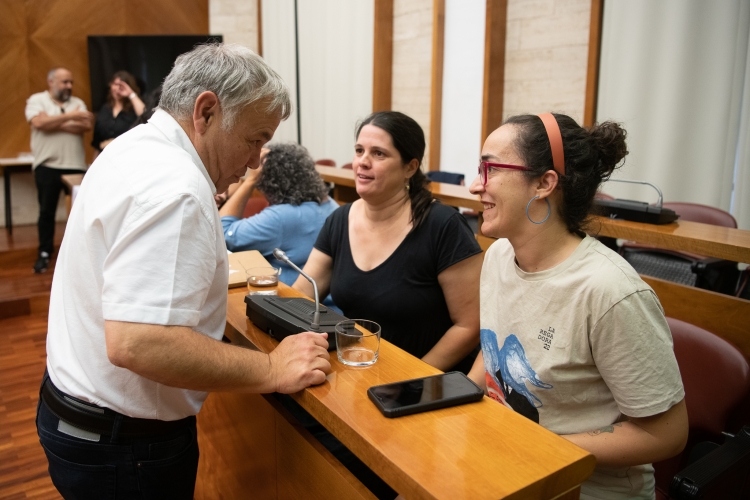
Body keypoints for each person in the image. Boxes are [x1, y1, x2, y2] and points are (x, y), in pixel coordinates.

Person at [36, 43, 331, 500]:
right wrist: (271, 368)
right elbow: (140, 342)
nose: (256, 161)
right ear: (207, 111)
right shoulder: (177, 188)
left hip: (76, 414)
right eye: (254, 139)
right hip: (122, 444)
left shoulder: (132, 144)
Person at [466, 113, 688, 499]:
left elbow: (666, 433)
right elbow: (494, 348)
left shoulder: (610, 291)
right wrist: (457, 402)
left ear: (544, 183)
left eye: (490, 169)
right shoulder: (500, 255)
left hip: (582, 487)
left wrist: (543, 448)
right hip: (507, 464)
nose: (474, 186)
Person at [296, 111, 483, 374]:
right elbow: (301, 296)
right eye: (359, 150)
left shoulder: (443, 225)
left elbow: (470, 326)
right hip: (358, 370)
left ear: (410, 167)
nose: (362, 162)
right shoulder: (339, 219)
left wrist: (413, 377)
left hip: (426, 381)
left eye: (378, 154)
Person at [220, 142, 339, 285]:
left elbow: (222, 232)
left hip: (292, 301)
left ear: (269, 182)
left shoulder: (281, 218)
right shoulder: (332, 206)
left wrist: (251, 180)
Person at [25, 67, 94, 273]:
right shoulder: (36, 100)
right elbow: (38, 122)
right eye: (65, 82)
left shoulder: (77, 103)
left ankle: (79, 258)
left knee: (79, 214)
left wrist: (52, 122)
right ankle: (45, 254)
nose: (69, 86)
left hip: (75, 166)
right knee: (46, 212)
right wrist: (70, 118)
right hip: (47, 165)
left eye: (71, 82)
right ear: (51, 82)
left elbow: (86, 124)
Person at [91, 70, 146, 151]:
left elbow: (144, 115)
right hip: (104, 154)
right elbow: (97, 142)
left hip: (126, 153)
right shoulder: (105, 109)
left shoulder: (133, 109)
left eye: (122, 85)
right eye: (115, 84)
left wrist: (130, 93)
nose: (118, 89)